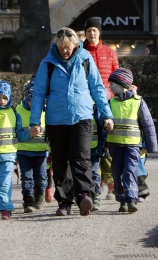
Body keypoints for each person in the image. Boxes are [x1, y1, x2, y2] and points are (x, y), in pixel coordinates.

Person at [29, 27, 114, 216]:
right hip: (56, 120)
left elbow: (98, 88)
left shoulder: (85, 59)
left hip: (81, 117)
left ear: (76, 45)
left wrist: (106, 115)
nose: (65, 51)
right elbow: (38, 94)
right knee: (60, 161)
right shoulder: (48, 63)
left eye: (68, 47)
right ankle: (64, 202)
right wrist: (35, 121)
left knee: (80, 156)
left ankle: (84, 195)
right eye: (61, 47)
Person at [0, 80, 36, 220]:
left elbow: (20, 134)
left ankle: (5, 208)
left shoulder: (14, 114)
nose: (2, 100)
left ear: (9, 98)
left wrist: (30, 135)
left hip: (8, 156)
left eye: (5, 98)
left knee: (4, 183)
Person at [107, 68, 158, 213]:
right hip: (115, 144)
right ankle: (121, 200)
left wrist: (149, 145)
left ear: (122, 84)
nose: (110, 86)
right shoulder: (110, 102)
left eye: (113, 83)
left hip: (133, 145)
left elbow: (147, 124)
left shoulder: (138, 101)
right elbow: (103, 123)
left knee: (129, 170)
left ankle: (131, 199)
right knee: (116, 172)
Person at [83, 17, 119, 202]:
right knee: (93, 146)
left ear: (99, 32)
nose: (92, 33)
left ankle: (111, 182)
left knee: (108, 144)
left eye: (94, 30)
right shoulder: (81, 53)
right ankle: (94, 186)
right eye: (89, 30)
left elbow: (117, 74)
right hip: (88, 103)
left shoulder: (110, 52)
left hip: (107, 102)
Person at [15, 75, 52, 213]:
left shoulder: (46, 110)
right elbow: (17, 133)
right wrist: (29, 134)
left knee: (42, 177)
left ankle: (39, 196)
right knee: (27, 177)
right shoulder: (18, 111)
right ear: (27, 98)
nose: (35, 104)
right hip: (23, 151)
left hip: (41, 152)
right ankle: (28, 201)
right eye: (32, 100)